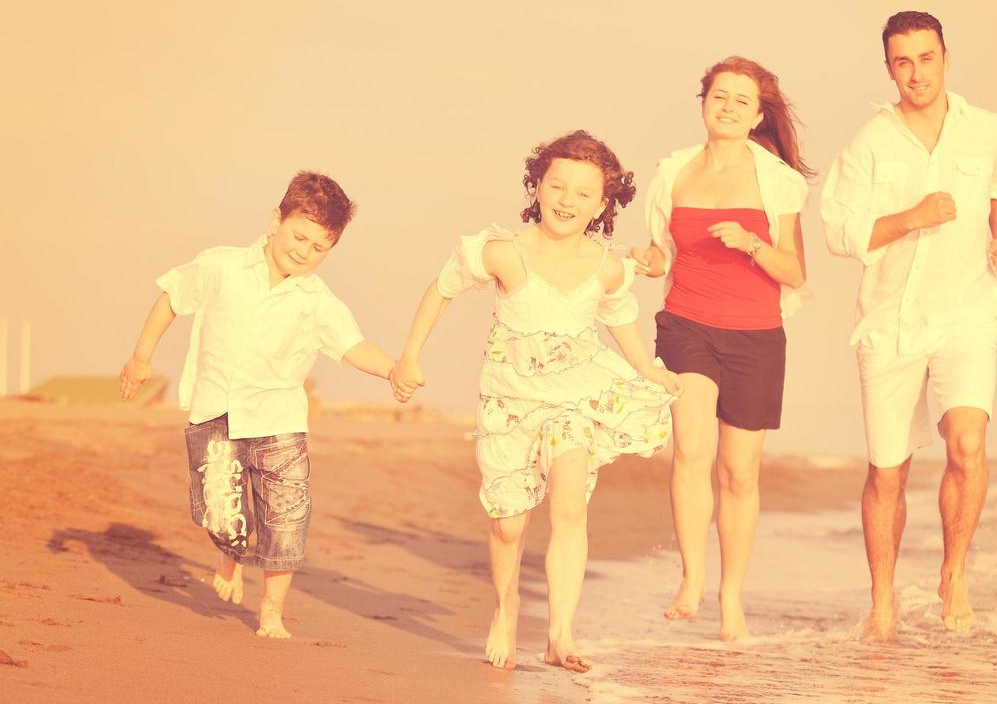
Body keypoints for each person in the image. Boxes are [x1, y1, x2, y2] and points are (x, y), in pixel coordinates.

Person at [390, 131, 680, 673]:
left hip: (572, 400)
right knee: (509, 523)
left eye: (584, 193)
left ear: (603, 204)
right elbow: (442, 287)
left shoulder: (606, 265)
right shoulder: (503, 252)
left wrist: (648, 369)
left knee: (570, 505)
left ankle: (561, 634)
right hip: (509, 403)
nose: (568, 201)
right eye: (558, 186)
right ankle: (505, 605)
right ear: (538, 186)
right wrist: (409, 356)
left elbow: (618, 316)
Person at [119, 171, 397, 639]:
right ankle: (231, 551)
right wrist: (141, 356)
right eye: (299, 236)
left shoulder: (316, 299)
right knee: (221, 516)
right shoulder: (221, 266)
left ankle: (271, 611)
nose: (304, 252)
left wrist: (392, 369)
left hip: (280, 422)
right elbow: (171, 297)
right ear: (276, 221)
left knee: (285, 518)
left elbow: (353, 345)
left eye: (319, 247)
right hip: (215, 414)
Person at [820, 11, 997, 640]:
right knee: (888, 470)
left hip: (967, 311)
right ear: (889, 68)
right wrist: (910, 216)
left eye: (926, 58)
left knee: (967, 442)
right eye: (902, 62)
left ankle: (954, 573)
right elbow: (839, 232)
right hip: (891, 324)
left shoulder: (987, 129)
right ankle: (883, 603)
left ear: (945, 57)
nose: (916, 73)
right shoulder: (867, 144)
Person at [628, 57, 814, 641]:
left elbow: (796, 272)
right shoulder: (674, 171)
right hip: (688, 324)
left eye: (742, 100)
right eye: (720, 96)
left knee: (739, 472)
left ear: (758, 114)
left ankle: (732, 599)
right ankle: (692, 579)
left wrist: (753, 244)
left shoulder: (777, 180)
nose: (728, 106)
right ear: (704, 102)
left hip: (756, 335)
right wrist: (646, 260)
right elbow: (662, 252)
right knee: (691, 449)